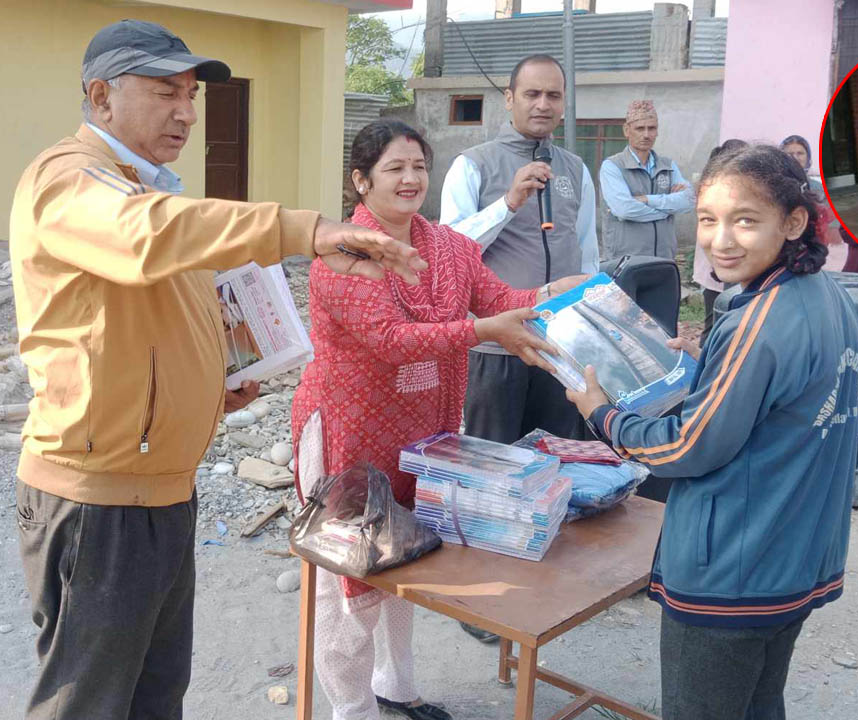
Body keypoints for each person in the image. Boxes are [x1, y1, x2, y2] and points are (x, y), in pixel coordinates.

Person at [9, 20, 424, 720]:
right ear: (101, 96)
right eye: (165, 91)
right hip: (98, 501)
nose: (186, 112)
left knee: (154, 695)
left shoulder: (142, 187)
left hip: (163, 489)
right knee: (88, 704)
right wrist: (306, 231)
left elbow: (145, 317)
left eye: (192, 94)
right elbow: (150, 237)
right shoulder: (69, 180)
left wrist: (210, 387)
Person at [292, 120, 585, 720]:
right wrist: (479, 332)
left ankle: (396, 688)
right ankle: (351, 709)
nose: (410, 179)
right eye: (394, 168)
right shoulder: (343, 256)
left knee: (408, 557)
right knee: (347, 579)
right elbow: (389, 340)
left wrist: (555, 291)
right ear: (360, 180)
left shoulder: (449, 249)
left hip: (418, 435)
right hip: (348, 435)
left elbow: (502, 300)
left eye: (419, 167)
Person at [566, 145, 858, 720]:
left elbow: (685, 446)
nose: (720, 240)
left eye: (745, 220)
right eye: (707, 220)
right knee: (756, 705)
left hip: (733, 568)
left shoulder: (758, 321)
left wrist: (601, 413)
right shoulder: (828, 295)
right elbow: (791, 403)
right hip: (795, 555)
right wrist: (715, 362)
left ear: (794, 222)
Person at [440, 52, 598, 643]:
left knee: (553, 468)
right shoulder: (472, 165)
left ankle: (537, 591)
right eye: (531, 94)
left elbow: (589, 255)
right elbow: (448, 250)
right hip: (496, 348)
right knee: (489, 471)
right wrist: (507, 204)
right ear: (508, 98)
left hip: (559, 349)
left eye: (553, 96)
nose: (543, 106)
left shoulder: (576, 170)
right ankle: (479, 600)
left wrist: (593, 329)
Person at [598, 100, 694, 259]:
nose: (646, 135)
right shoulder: (613, 166)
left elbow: (690, 200)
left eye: (652, 128)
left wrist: (647, 199)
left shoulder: (668, 166)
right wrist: (667, 210)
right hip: (625, 262)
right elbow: (625, 209)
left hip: (663, 259)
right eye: (640, 128)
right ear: (627, 130)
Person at [694, 139, 746, 348]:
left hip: (732, 270)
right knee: (715, 322)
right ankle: (704, 366)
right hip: (714, 270)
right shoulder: (711, 191)